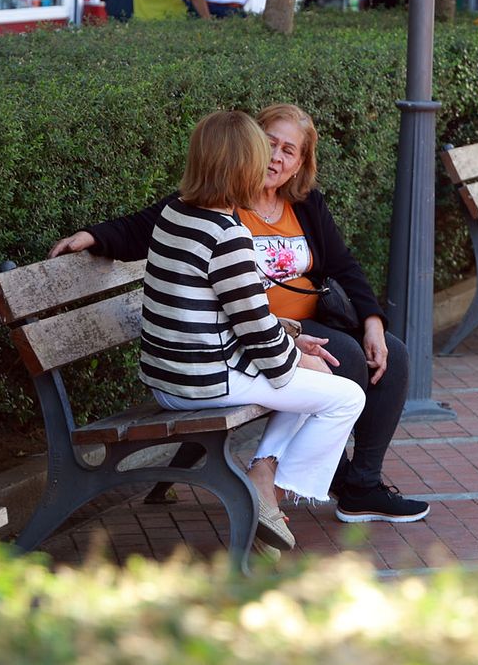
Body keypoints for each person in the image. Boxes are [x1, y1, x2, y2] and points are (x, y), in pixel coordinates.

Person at [48, 105, 428, 524]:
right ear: (247, 150)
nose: (275, 158)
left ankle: (358, 483)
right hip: (232, 347)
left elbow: (340, 266)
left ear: (301, 163)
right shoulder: (219, 214)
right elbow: (140, 230)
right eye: (267, 145)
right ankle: (282, 486)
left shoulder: (292, 205)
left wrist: (370, 320)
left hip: (247, 341)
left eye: (289, 151)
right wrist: (93, 236)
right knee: (337, 369)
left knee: (389, 355)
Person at [103, 110, 365, 552]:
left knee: (311, 371)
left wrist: (291, 339)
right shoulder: (228, 234)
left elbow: (225, 310)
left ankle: (264, 481)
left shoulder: (175, 212)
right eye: (261, 152)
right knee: (345, 397)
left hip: (168, 377)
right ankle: (269, 495)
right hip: (201, 381)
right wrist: (296, 353)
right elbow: (260, 338)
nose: (268, 162)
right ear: (241, 165)